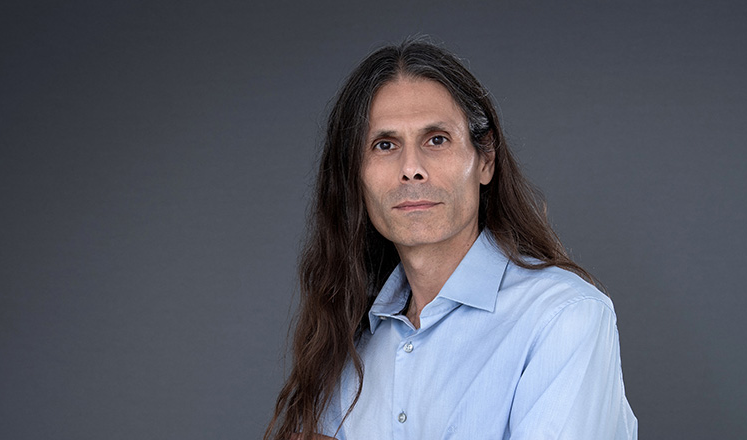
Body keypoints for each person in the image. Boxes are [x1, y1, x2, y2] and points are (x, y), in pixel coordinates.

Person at [266, 38, 637, 440]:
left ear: (486, 159)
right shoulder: (348, 340)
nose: (411, 168)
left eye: (437, 139)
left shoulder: (564, 317)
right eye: (385, 145)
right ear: (355, 176)